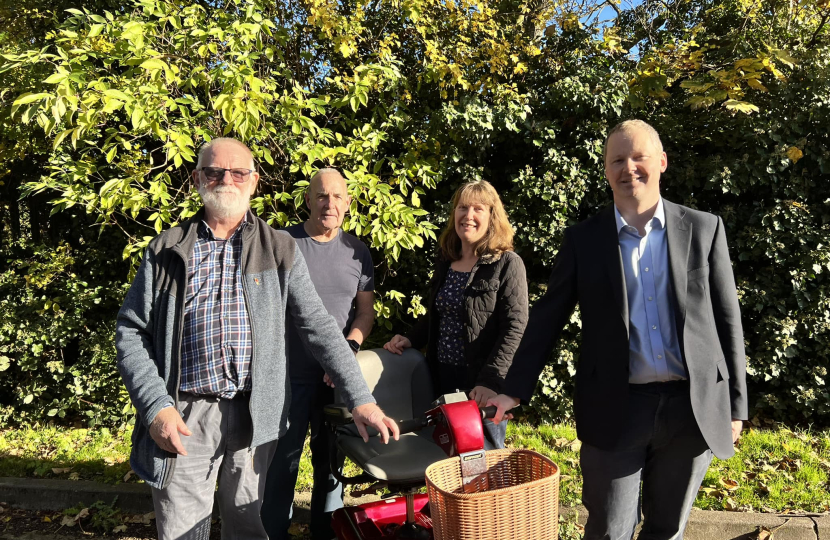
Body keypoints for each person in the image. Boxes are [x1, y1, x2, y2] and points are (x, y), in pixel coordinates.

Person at [115, 138, 399, 540]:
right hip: (184, 414)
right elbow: (130, 331)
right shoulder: (167, 248)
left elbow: (320, 327)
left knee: (249, 526)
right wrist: (156, 406)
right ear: (197, 178)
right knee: (181, 531)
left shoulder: (279, 248)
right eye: (214, 172)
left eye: (238, 173)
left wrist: (362, 400)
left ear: (254, 182)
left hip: (256, 415)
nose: (225, 180)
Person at [488, 120, 748, 540]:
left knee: (668, 528)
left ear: (661, 162)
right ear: (606, 171)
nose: (629, 168)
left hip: (693, 408)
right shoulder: (583, 240)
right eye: (617, 160)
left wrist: (737, 404)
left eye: (639, 157)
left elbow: (727, 318)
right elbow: (549, 316)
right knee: (610, 530)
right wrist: (513, 388)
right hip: (615, 407)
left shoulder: (704, 228)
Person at [261, 168, 375, 540]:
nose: (329, 203)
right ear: (308, 200)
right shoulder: (282, 243)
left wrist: (349, 348)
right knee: (281, 465)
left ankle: (326, 533)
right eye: (321, 196)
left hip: (335, 379)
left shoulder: (358, 253)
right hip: (287, 377)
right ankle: (273, 532)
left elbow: (365, 313)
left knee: (331, 465)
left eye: (337, 196)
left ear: (348, 203)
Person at [384, 179, 528, 449]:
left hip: (481, 387)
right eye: (463, 208)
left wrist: (490, 382)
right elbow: (438, 313)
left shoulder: (508, 264)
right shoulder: (446, 260)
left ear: (492, 217)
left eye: (478, 209)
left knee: (481, 462)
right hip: (440, 379)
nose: (468, 216)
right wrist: (411, 339)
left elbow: (515, 327)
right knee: (442, 457)